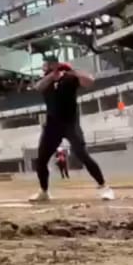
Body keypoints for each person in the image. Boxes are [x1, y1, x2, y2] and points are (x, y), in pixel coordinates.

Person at [30, 55, 114, 202]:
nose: (47, 66)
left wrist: (72, 71)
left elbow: (89, 81)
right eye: (47, 64)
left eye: (49, 64)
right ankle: (44, 191)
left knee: (82, 154)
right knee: (41, 160)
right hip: (52, 125)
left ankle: (104, 187)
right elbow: (38, 87)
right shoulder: (46, 81)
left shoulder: (69, 78)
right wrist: (52, 75)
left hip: (70, 123)